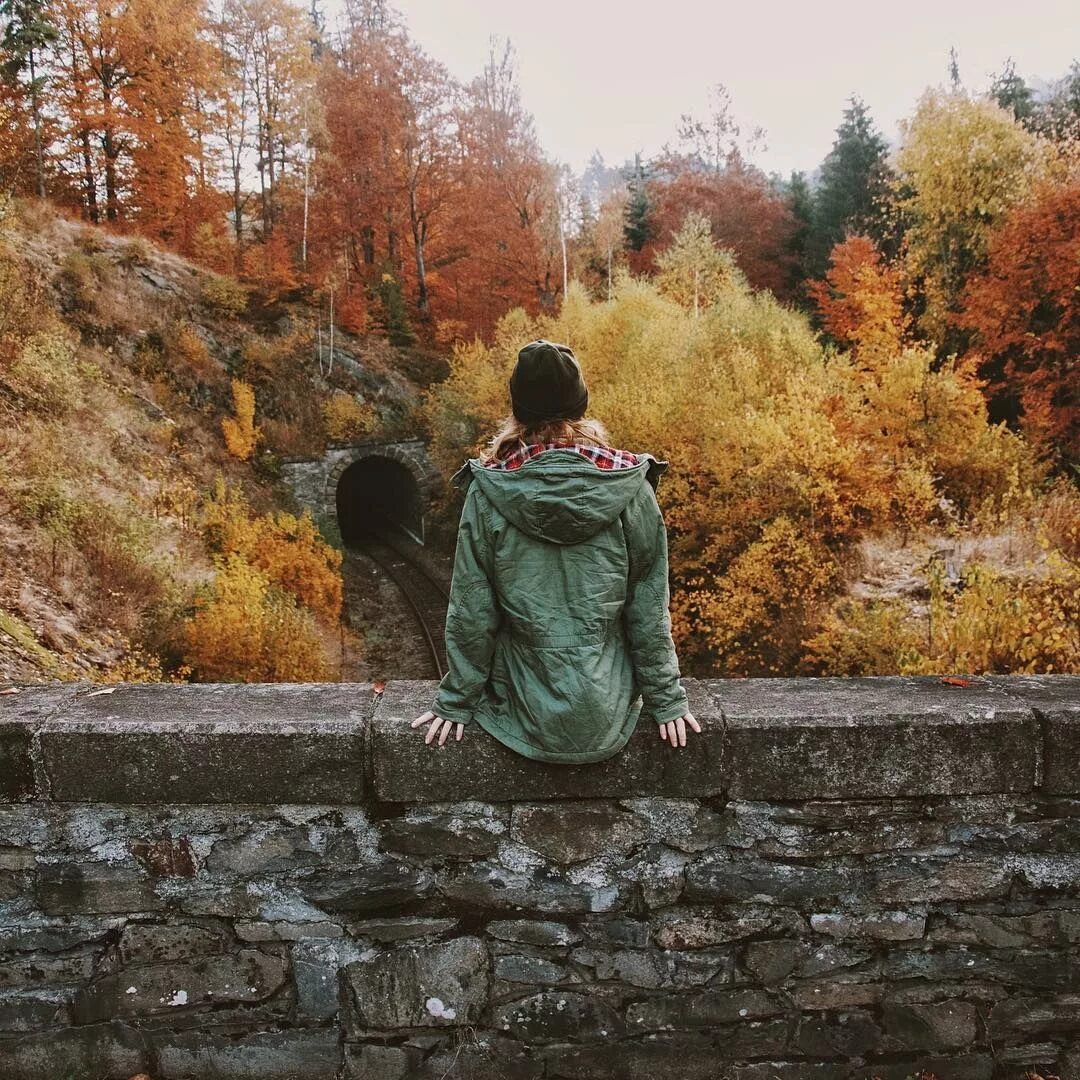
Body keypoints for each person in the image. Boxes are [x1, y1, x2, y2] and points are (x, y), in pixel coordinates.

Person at [411, 338, 700, 763]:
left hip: (520, 707)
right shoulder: (629, 488)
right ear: (580, 406)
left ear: (517, 409)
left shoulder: (490, 490)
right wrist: (666, 699)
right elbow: (648, 607)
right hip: (608, 706)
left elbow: (473, 609)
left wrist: (456, 700)